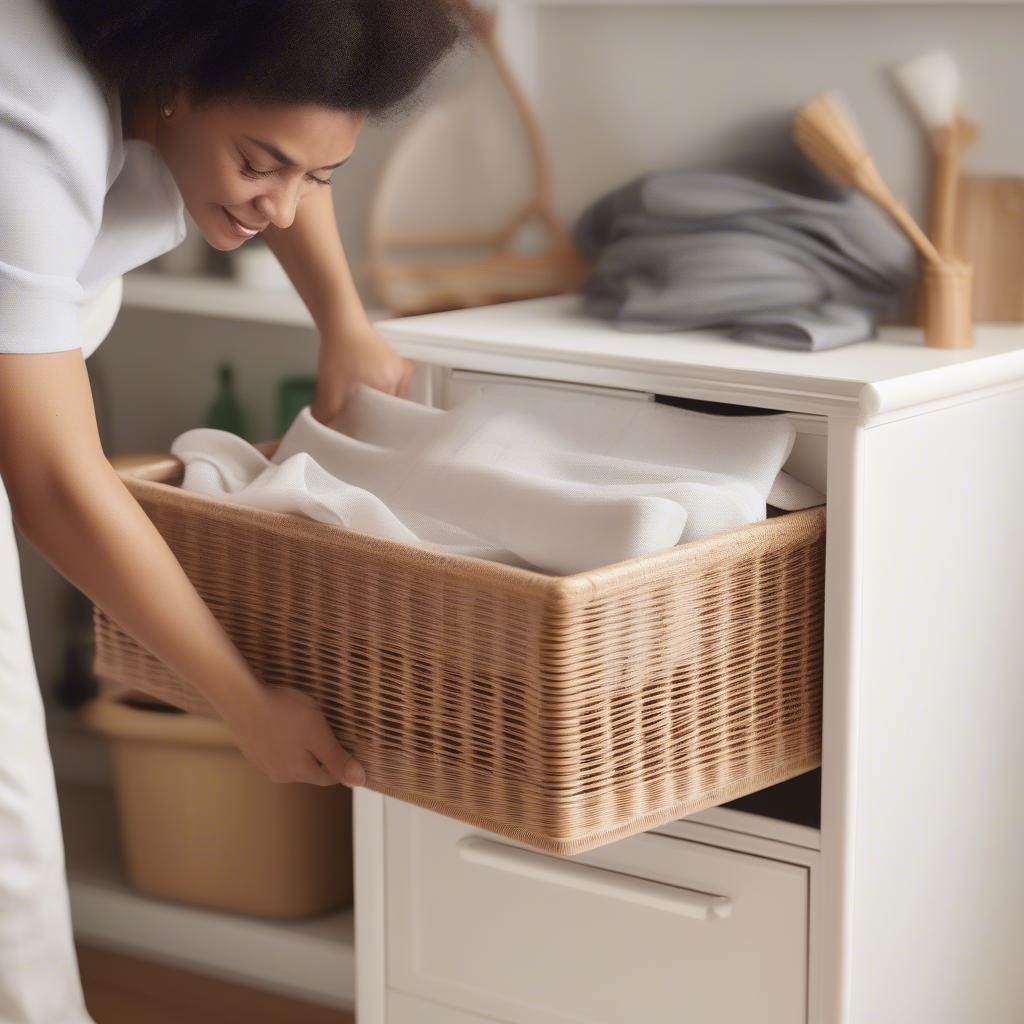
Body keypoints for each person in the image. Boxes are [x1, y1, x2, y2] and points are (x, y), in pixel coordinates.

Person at [0, 1, 465, 1020]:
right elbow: (58, 483)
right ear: (178, 84)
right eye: (260, 165)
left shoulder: (228, 82)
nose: (284, 207)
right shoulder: (28, 128)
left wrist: (340, 320)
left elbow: (297, 136)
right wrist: (239, 701)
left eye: (321, 176)